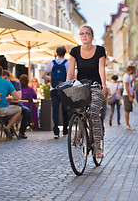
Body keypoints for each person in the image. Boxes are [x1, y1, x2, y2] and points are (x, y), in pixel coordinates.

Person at [66, 25, 107, 158]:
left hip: (96, 86)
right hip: (81, 87)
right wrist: (67, 85)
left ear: (92, 36)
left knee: (94, 113)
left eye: (87, 33)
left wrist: (104, 85)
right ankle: (79, 133)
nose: (84, 36)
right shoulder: (74, 51)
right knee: (78, 111)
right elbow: (71, 71)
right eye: (82, 33)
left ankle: (97, 148)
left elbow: (101, 69)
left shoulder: (100, 50)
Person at [41, 46, 69, 139]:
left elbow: (43, 75)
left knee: (55, 111)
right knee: (65, 110)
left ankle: (56, 132)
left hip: (54, 89)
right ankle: (65, 130)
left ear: (56, 53)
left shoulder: (51, 63)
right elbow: (72, 75)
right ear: (65, 53)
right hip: (64, 89)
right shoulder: (68, 63)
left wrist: (52, 79)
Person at [0, 65, 21, 139]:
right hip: (1, 109)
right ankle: (7, 127)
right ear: (1, 73)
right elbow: (17, 97)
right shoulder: (7, 82)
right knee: (19, 109)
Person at [2, 70, 31, 139]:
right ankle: (9, 130)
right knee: (4, 112)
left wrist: (8, 97)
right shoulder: (2, 85)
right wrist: (11, 97)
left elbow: (19, 96)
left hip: (17, 104)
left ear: (9, 77)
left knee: (27, 111)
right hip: (6, 105)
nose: (4, 80)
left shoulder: (16, 83)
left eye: (5, 78)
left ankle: (22, 132)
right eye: (3, 79)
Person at [123, 65, 135, 131]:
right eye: (133, 70)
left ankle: (128, 124)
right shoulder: (126, 77)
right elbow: (126, 88)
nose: (133, 71)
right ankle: (127, 125)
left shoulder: (128, 77)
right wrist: (130, 96)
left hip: (128, 95)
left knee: (128, 110)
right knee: (127, 110)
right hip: (127, 95)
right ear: (131, 70)